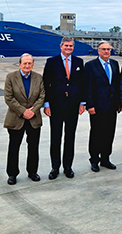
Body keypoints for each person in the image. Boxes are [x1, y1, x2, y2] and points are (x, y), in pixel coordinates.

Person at [43, 37, 86, 180]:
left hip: (73, 106)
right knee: (55, 137)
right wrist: (47, 104)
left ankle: (68, 166)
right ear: (61, 46)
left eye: (71, 46)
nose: (69, 48)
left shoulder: (79, 62)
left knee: (70, 137)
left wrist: (82, 103)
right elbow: (46, 84)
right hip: (56, 106)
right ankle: (55, 167)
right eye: (66, 45)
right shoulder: (51, 62)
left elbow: (82, 84)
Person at [3, 53, 45, 185]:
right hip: (16, 118)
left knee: (33, 147)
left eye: (30, 63)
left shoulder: (38, 78)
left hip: (33, 118)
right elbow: (8, 98)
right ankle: (12, 174)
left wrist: (32, 111)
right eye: (25, 63)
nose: (27, 66)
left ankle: (32, 171)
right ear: (20, 64)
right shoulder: (10, 77)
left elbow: (42, 96)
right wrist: (23, 111)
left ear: (33, 64)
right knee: (14, 147)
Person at [85, 41, 120, 172]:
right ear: (98, 51)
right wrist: (90, 105)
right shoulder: (90, 66)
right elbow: (87, 86)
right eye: (104, 49)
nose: (106, 52)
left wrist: (118, 104)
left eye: (109, 49)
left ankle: (105, 158)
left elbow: (116, 85)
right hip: (97, 106)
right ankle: (94, 159)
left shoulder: (115, 64)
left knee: (109, 132)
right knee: (96, 133)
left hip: (112, 106)